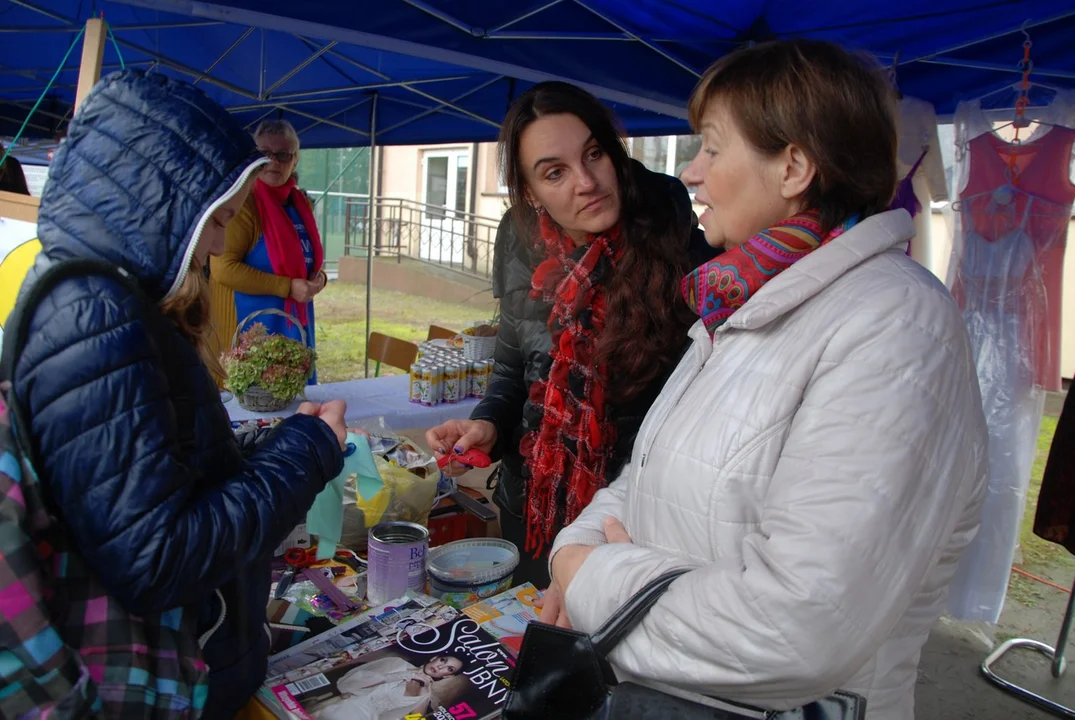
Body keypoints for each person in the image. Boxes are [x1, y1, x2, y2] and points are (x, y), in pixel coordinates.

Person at [546, 40, 989, 719]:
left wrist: (592, 579)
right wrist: (573, 550)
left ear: (793, 166)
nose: (691, 172)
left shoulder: (895, 327)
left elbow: (795, 627)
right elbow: (649, 474)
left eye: (713, 149)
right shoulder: (741, 300)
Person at [8, 71, 348, 717]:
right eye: (216, 218)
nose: (218, 240)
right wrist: (304, 451)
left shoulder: (95, 298)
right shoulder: (95, 318)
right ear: (156, 204)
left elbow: (153, 471)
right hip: (174, 674)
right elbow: (158, 557)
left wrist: (257, 445)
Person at [425, 81, 718, 590]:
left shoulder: (671, 231)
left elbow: (704, 391)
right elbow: (513, 370)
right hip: (534, 505)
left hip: (634, 520)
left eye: (594, 154)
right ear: (531, 191)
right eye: (554, 173)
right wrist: (488, 426)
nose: (586, 182)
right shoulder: (519, 237)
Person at [209, 119, 327, 385]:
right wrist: (287, 287)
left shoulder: (301, 204)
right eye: (265, 154)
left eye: (283, 155)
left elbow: (311, 259)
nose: (274, 161)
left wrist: (320, 279)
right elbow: (223, 268)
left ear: (294, 161)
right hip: (250, 336)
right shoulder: (241, 204)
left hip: (295, 332)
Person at [308, 654, 465, 720]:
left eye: (449, 669)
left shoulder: (425, 695)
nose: (441, 667)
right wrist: (401, 676)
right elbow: (346, 683)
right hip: (338, 708)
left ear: (448, 676)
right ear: (435, 658)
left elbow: (413, 719)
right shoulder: (396, 663)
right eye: (443, 660)